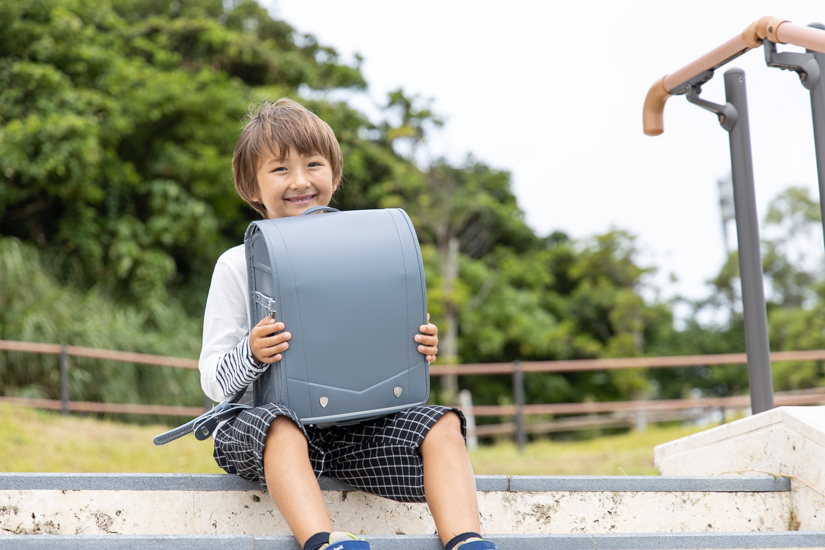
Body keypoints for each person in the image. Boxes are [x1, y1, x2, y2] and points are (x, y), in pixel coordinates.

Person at [199, 98, 497, 550]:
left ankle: (467, 540)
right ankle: (324, 541)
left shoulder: (365, 256)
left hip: (352, 433)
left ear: (334, 176)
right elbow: (213, 381)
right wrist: (252, 353)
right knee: (280, 424)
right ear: (252, 187)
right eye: (279, 170)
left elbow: (373, 346)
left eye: (313, 164)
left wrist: (415, 345)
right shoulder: (237, 264)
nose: (300, 181)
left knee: (442, 425)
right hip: (262, 431)